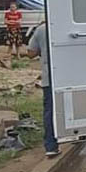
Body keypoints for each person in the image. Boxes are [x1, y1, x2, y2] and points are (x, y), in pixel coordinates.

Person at [27, 22, 59, 157]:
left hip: (50, 78)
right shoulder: (62, 25)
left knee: (50, 111)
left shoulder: (41, 29)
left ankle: (51, 146)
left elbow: (31, 53)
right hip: (70, 76)